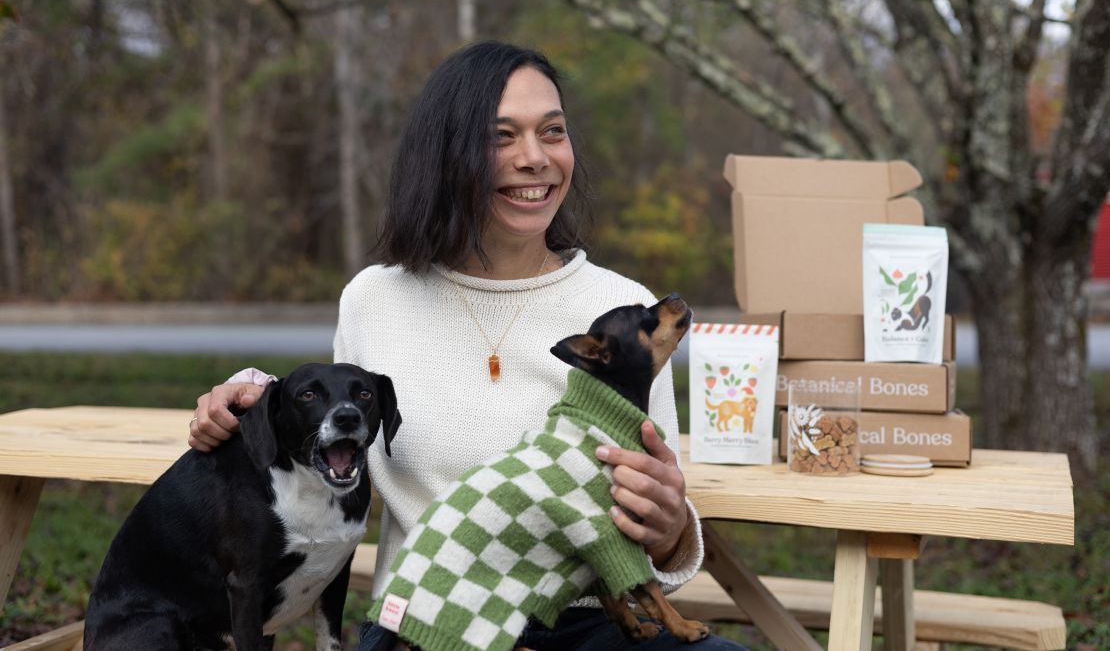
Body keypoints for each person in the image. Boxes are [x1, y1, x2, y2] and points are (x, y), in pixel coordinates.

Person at [192, 41, 744, 650]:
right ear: (446, 154)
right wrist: (252, 395)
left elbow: (656, 511)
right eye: (501, 137)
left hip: (593, 623)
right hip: (434, 619)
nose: (534, 158)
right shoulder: (376, 299)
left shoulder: (622, 312)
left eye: (552, 132)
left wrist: (668, 531)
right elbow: (331, 441)